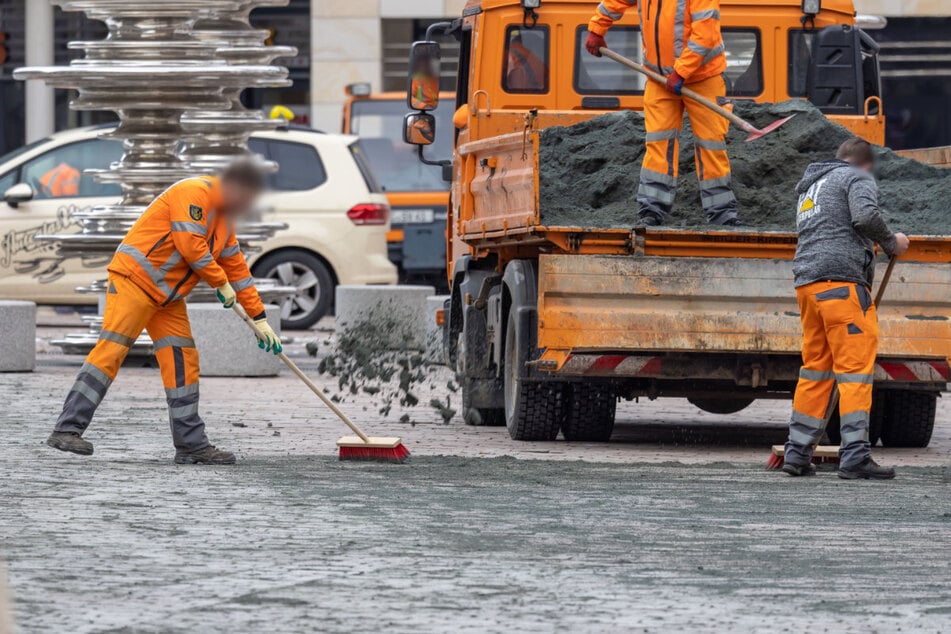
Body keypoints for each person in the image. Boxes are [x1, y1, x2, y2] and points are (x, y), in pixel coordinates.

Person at [46, 160, 283, 465]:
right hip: (134, 281)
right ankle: (66, 429)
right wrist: (219, 283)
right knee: (112, 351)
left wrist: (259, 318)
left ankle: (190, 445)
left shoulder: (225, 222)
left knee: (182, 360)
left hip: (166, 298)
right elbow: (191, 245)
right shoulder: (194, 193)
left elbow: (237, 269)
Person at [782, 138, 910, 480]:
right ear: (864, 164)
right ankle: (855, 456)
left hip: (808, 286)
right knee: (854, 371)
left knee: (816, 370)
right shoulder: (857, 177)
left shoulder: (813, 186)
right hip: (842, 287)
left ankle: (796, 453)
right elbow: (865, 215)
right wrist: (891, 242)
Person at [585, 0, 740, 226]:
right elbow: (615, 1)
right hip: (659, 79)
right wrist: (597, 28)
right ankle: (651, 210)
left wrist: (681, 72)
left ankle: (722, 213)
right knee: (658, 142)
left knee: (710, 144)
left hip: (702, 78)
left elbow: (704, 36)